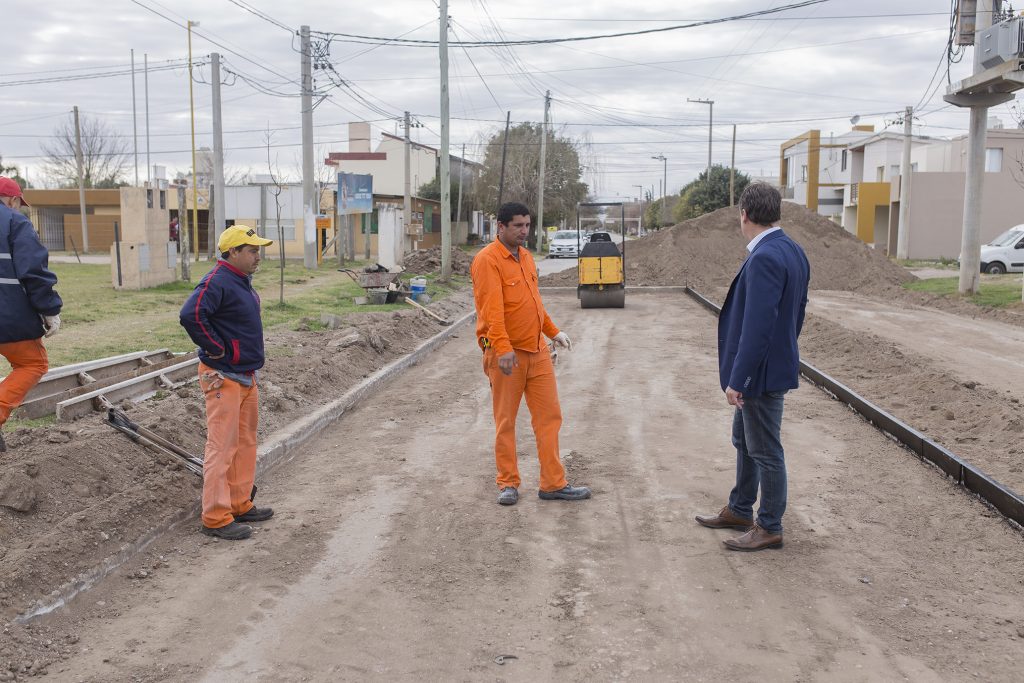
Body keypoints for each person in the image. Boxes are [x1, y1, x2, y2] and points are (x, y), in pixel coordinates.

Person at [695, 183, 809, 552]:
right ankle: (741, 508)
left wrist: (739, 378)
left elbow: (757, 327)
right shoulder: (792, 250)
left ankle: (769, 525)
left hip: (758, 374)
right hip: (770, 366)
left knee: (765, 449)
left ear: (744, 213)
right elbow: (796, 314)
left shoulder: (764, 257)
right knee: (745, 441)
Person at [471, 201, 591, 506]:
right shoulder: (488, 261)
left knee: (549, 418)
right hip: (506, 356)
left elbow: (534, 304)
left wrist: (553, 332)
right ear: (501, 226)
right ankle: (508, 483)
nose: (525, 231)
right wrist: (504, 349)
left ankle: (553, 483)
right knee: (506, 421)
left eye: (527, 225)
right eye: (518, 226)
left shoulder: (525, 257)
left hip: (537, 352)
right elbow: (492, 311)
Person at [179, 225, 275, 540]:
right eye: (252, 250)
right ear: (232, 252)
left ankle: (238, 502)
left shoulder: (240, 281)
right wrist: (218, 349)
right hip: (222, 376)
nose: (257, 256)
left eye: (258, 250)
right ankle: (216, 516)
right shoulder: (216, 282)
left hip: (245, 375)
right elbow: (191, 314)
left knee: (245, 442)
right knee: (221, 446)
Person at [0, 178, 62, 453]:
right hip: (8, 317)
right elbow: (33, 272)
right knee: (32, 364)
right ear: (12, 200)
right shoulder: (15, 222)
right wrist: (50, 310)